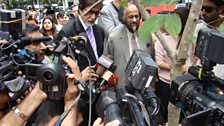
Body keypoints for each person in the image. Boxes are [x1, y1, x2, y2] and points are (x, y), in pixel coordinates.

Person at [154, 7, 190, 125]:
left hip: (183, 86)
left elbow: (192, 61)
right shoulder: (163, 39)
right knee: (164, 115)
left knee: (180, 116)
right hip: (165, 84)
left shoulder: (188, 41)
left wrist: (187, 68)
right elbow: (159, 62)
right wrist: (177, 68)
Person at [105, 3, 151, 89]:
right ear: (123, 18)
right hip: (122, 88)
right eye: (130, 17)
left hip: (143, 87)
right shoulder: (114, 38)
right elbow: (108, 64)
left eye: (137, 16)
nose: (134, 20)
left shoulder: (147, 35)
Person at [193, 0, 224, 80]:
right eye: (201, 8)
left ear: (220, 9)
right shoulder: (198, 28)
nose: (203, 13)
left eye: (208, 9)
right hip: (199, 77)